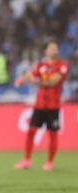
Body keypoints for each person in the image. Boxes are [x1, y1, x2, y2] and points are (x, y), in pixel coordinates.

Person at [14, 41, 69, 171]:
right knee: (31, 131)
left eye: (55, 49)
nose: (53, 51)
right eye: (51, 49)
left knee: (52, 134)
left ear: (58, 52)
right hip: (39, 105)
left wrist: (35, 81)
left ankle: (50, 162)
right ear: (46, 51)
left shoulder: (62, 65)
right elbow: (31, 74)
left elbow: (52, 82)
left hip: (53, 106)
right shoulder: (41, 65)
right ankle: (26, 160)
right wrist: (22, 79)